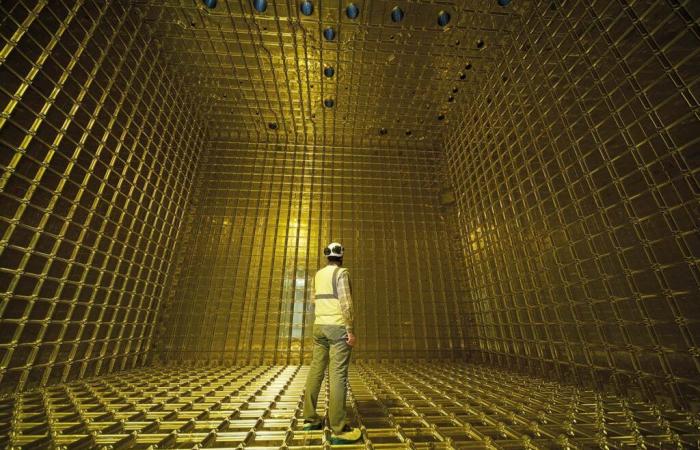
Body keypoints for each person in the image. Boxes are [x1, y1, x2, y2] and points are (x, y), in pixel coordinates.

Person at [302, 242, 362, 444]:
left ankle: (310, 419)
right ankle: (338, 429)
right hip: (337, 328)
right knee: (338, 375)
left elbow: (313, 300)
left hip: (319, 327)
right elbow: (346, 303)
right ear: (341, 256)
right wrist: (350, 330)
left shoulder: (318, 275)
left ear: (327, 256)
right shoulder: (342, 273)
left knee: (316, 370)